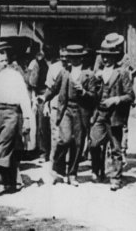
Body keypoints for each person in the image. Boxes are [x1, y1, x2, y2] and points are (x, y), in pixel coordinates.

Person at [39, 45, 99, 186]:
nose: (73, 59)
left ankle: (72, 173)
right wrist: (44, 98)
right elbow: (54, 88)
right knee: (65, 139)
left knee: (78, 144)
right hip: (66, 109)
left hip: (81, 111)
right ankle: (58, 169)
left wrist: (84, 92)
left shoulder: (89, 74)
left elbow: (94, 96)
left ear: (82, 58)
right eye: (71, 57)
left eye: (76, 57)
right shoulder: (64, 72)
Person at [90, 33, 134, 191]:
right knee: (94, 143)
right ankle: (97, 170)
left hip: (115, 115)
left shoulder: (122, 72)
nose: (105, 59)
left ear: (116, 57)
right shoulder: (98, 72)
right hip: (100, 113)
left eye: (109, 56)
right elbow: (93, 94)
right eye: (103, 55)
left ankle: (115, 178)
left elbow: (130, 96)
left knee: (115, 147)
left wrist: (115, 100)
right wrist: (95, 80)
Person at [0, 48, 32, 195]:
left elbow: (24, 97)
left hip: (11, 113)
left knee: (4, 145)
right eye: (1, 61)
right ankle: (13, 181)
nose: (5, 63)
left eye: (6, 60)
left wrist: (27, 118)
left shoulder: (15, 76)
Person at [43, 47, 68, 164]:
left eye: (66, 57)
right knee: (55, 135)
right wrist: (45, 106)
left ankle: (66, 161)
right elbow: (49, 88)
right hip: (55, 106)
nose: (64, 59)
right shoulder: (53, 68)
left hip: (68, 107)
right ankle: (54, 163)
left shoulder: (73, 68)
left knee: (67, 136)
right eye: (61, 56)